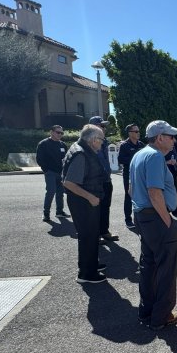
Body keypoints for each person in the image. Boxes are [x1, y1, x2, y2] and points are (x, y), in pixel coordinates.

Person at [129, 120, 177, 330]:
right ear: (160, 138)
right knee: (166, 268)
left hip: (143, 215)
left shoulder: (139, 154)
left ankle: (147, 312)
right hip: (156, 218)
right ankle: (161, 316)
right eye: (170, 136)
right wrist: (167, 221)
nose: (174, 140)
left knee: (149, 265)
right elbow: (154, 192)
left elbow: (131, 189)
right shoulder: (154, 156)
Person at [62, 124, 109, 284]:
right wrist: (90, 197)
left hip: (85, 201)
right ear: (93, 140)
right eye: (101, 140)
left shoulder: (81, 149)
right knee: (88, 236)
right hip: (83, 202)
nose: (103, 143)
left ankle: (91, 265)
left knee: (90, 235)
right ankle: (86, 273)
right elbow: (69, 183)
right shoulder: (81, 154)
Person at [89, 116, 118, 242]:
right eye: (102, 125)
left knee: (106, 207)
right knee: (95, 209)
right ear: (94, 127)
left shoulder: (104, 141)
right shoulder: (89, 142)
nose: (104, 128)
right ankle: (95, 236)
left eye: (104, 126)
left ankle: (104, 231)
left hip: (106, 180)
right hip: (95, 182)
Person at [36, 124, 69, 222]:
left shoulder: (62, 145)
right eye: (58, 132)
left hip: (61, 173)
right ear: (51, 132)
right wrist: (46, 170)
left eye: (61, 133)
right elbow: (39, 159)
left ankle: (59, 212)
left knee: (60, 193)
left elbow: (66, 158)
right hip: (50, 172)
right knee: (51, 191)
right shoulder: (43, 144)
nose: (60, 134)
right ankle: (46, 213)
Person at [118, 123, 145, 229]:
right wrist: (135, 160)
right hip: (128, 175)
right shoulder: (124, 145)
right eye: (136, 131)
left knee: (141, 195)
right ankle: (128, 220)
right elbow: (121, 160)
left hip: (140, 175)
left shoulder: (141, 144)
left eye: (138, 131)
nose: (138, 133)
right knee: (129, 196)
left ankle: (139, 218)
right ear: (130, 133)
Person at [165, 144, 177, 218]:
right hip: (164, 172)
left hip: (172, 171)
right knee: (164, 192)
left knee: (174, 191)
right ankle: (166, 210)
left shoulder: (172, 146)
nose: (173, 140)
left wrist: (175, 160)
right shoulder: (160, 148)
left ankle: (176, 210)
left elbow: (176, 156)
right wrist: (167, 162)